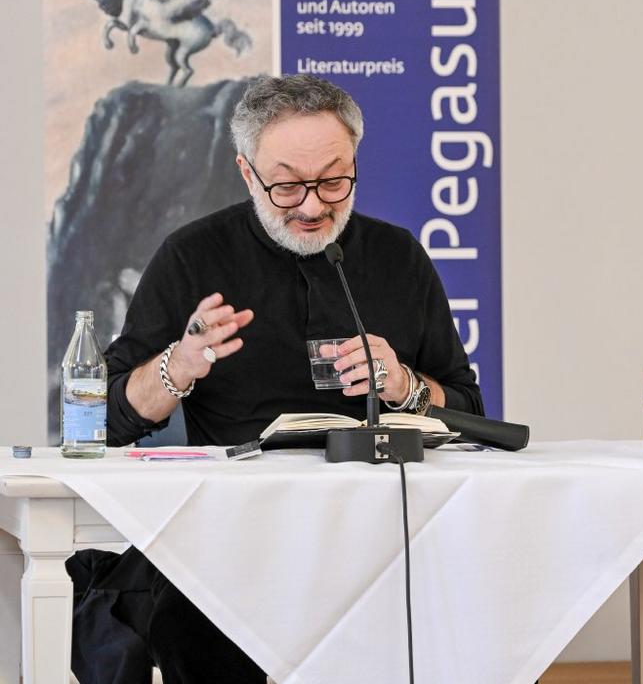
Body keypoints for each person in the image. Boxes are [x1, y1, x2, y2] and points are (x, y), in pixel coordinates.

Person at [70, 74, 484, 684]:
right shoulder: (191, 256)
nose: (313, 207)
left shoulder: (399, 257)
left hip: (380, 537)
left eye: (334, 181)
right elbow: (99, 419)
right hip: (231, 543)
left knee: (471, 616)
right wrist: (177, 367)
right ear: (247, 173)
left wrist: (404, 385)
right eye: (287, 186)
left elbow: (471, 411)